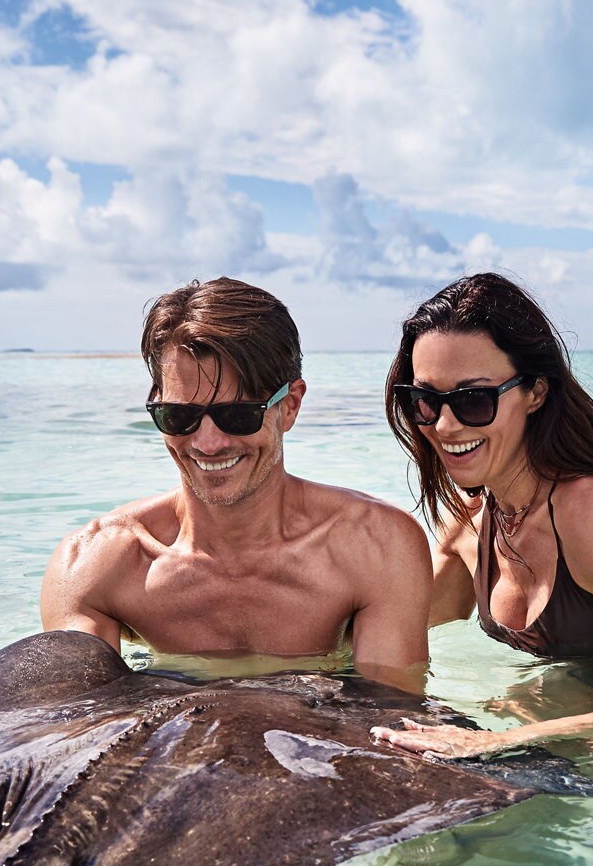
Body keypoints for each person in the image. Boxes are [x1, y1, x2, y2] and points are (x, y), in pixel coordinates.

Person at [41, 276, 432, 692]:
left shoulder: (375, 547)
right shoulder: (96, 564)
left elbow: (391, 716)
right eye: (180, 416)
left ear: (290, 406)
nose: (208, 443)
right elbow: (79, 726)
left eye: (238, 415)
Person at [370, 273, 593, 758]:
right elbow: (398, 633)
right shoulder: (469, 523)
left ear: (536, 393)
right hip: (571, 712)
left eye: (473, 400)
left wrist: (500, 741)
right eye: (426, 401)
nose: (444, 424)